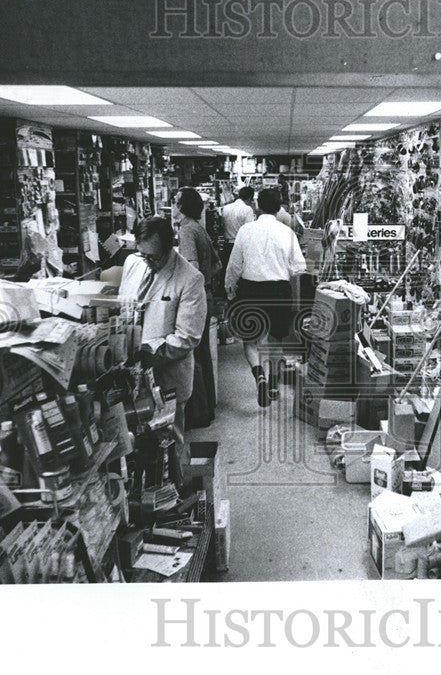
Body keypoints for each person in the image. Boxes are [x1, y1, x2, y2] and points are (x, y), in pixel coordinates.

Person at [119, 217, 207, 480]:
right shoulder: (134, 263)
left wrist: (148, 353)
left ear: (170, 247)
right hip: (130, 373)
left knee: (170, 444)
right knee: (136, 447)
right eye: (142, 253)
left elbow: (188, 337)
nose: (147, 261)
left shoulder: (190, 279)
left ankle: (177, 496)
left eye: (154, 257)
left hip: (166, 377)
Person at [225, 187, 307, 407]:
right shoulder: (286, 232)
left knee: (250, 340)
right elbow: (300, 267)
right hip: (279, 291)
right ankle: (272, 383)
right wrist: (282, 269)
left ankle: (259, 376)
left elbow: (234, 265)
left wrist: (229, 288)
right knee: (276, 340)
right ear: (280, 207)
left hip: (250, 290)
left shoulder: (245, 231)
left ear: (257, 206)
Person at [175, 187, 221, 427]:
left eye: (175, 202)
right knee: (203, 351)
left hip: (196, 297)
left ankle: (199, 413)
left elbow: (191, 268)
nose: (172, 207)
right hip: (207, 293)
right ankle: (208, 406)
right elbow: (216, 265)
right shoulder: (199, 229)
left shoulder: (186, 231)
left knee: (193, 354)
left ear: (182, 207)